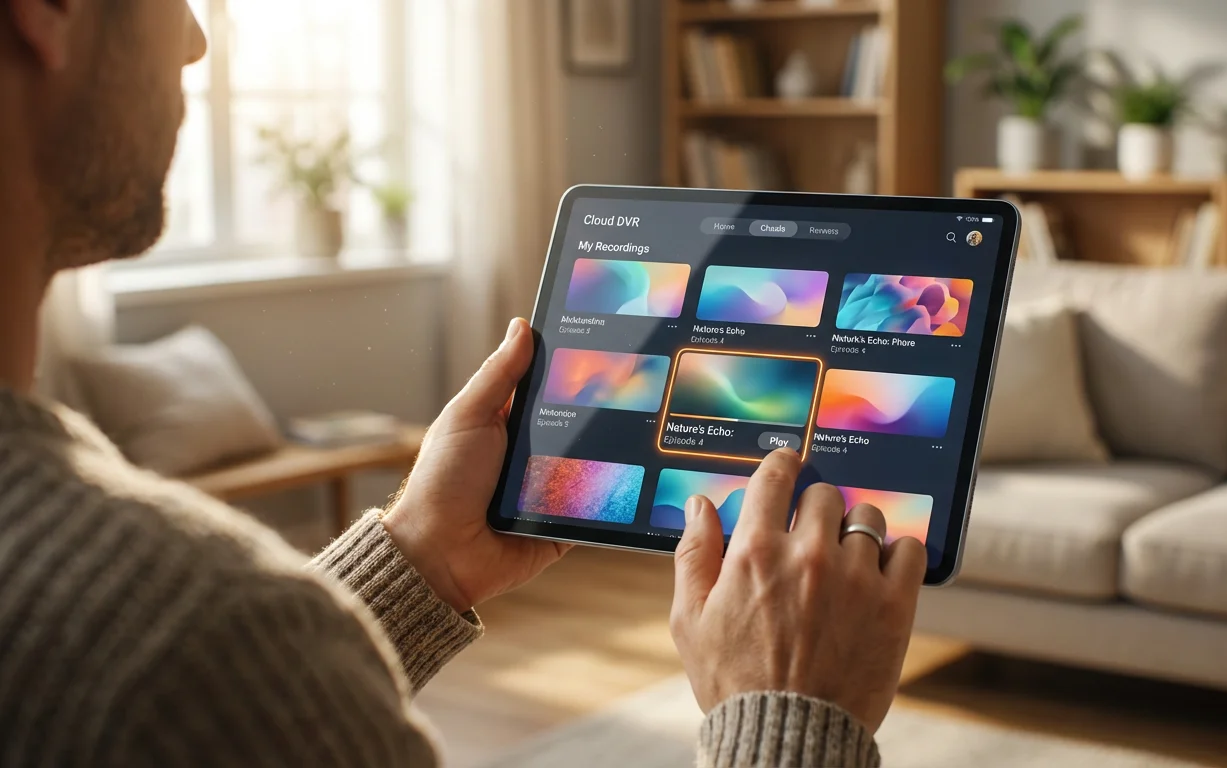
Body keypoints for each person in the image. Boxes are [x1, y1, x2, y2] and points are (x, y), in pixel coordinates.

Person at [0, 1, 925, 765]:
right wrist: (789, 721)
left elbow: (228, 710)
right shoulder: (179, 643)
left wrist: (418, 557)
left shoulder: (166, 641)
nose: (197, 38)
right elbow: (214, 676)